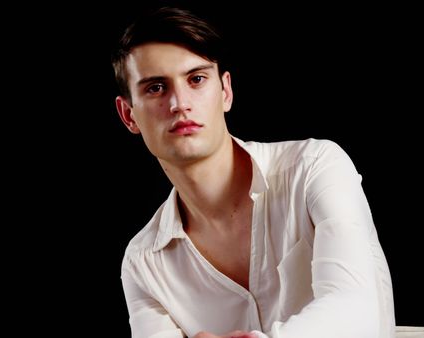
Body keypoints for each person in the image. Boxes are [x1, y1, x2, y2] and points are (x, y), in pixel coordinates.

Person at [112, 7, 395, 338]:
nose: (180, 103)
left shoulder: (315, 167)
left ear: (225, 91)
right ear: (129, 115)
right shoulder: (142, 263)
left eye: (197, 79)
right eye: (156, 88)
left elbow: (356, 312)